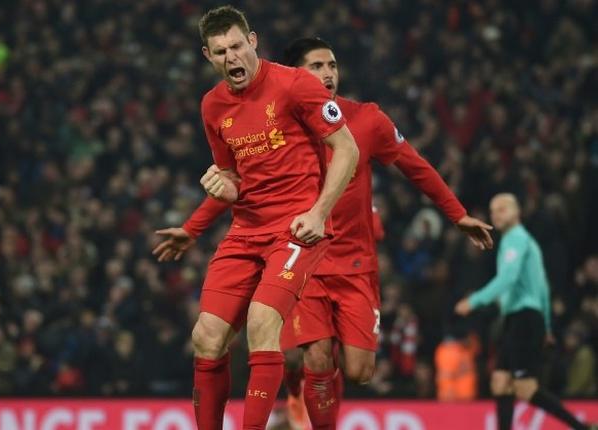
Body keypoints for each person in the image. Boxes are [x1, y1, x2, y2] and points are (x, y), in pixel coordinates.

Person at [155, 37, 493, 429]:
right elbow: (244, 185)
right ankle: (304, 406)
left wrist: (458, 215)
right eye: (316, 67)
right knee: (314, 355)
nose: (328, 74)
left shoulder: (366, 120)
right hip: (302, 251)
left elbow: (414, 165)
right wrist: (193, 228)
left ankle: (302, 390)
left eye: (331, 65)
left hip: (355, 263)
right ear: (298, 75)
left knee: (360, 369)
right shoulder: (276, 120)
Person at [191, 7, 360, 429]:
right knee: (206, 338)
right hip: (246, 229)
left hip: (296, 227)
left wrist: (319, 212)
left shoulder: (295, 84)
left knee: (261, 324)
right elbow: (233, 179)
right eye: (219, 52)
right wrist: (223, 189)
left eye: (235, 46)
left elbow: (348, 150)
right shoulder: (213, 107)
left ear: (253, 41)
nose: (231, 58)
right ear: (208, 57)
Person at [455, 193, 597, 430]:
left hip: (524, 319)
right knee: (500, 382)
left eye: (502, 209)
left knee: (525, 387)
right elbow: (542, 287)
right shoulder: (525, 243)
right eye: (492, 210)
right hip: (519, 319)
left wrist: (476, 300)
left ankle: (581, 428)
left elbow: (508, 278)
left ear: (516, 212)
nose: (495, 214)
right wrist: (548, 325)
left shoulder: (517, 240)